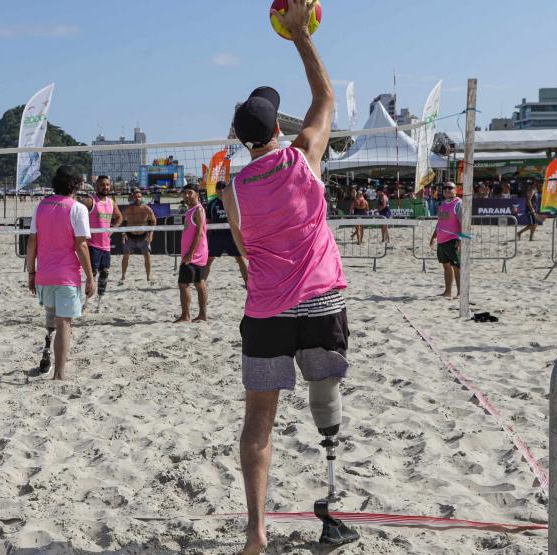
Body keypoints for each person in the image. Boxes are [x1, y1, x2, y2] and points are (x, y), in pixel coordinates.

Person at [222, 3, 355, 551]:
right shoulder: (304, 157)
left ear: (241, 138)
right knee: (326, 401)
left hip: (267, 309)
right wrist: (300, 36)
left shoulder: (232, 189)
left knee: (259, 422)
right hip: (320, 301)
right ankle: (329, 507)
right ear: (280, 127)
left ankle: (256, 533)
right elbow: (324, 98)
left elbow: (246, 254)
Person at [25, 165, 96, 380]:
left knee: (52, 319)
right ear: (76, 185)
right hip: (65, 275)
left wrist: (31, 272)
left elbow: (31, 242)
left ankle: (47, 350)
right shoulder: (77, 209)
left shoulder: (41, 206)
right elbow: (81, 246)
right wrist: (91, 277)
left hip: (44, 275)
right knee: (64, 322)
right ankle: (59, 373)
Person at [81, 175, 122, 301]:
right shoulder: (90, 200)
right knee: (92, 274)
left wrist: (112, 230)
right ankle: (87, 301)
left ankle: (99, 299)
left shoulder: (111, 202)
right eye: (102, 185)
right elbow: (76, 211)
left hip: (106, 245)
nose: (105, 187)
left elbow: (119, 217)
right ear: (96, 186)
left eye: (107, 185)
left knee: (105, 273)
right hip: (92, 244)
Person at [174, 183, 208, 323]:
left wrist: (190, 253)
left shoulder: (198, 210)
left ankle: (185, 316)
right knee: (199, 283)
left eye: (190, 192)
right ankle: (202, 315)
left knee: (183, 284)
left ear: (197, 194)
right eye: (185, 193)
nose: (187, 195)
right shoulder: (192, 210)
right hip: (197, 254)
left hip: (193, 256)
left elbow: (199, 233)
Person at [205, 180, 248, 284]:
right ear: (216, 191)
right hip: (216, 236)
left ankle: (248, 283)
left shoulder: (233, 201)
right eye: (218, 190)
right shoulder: (211, 204)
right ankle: (202, 282)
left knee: (240, 259)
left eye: (222, 189)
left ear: (226, 190)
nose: (220, 191)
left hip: (232, 235)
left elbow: (240, 218)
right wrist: (205, 238)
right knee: (208, 260)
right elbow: (208, 222)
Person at [429, 182, 463, 299]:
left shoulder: (458, 203)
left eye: (450, 188)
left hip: (453, 239)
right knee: (446, 266)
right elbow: (440, 222)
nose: (447, 190)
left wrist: (460, 239)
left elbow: (464, 223)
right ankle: (447, 292)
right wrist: (434, 236)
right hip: (442, 240)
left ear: (456, 190)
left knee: (456, 266)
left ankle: (460, 292)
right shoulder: (443, 204)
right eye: (445, 188)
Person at [119, 188, 157, 284]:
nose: (137, 198)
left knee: (147, 256)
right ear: (132, 197)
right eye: (136, 197)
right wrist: (123, 233)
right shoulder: (128, 209)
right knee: (125, 256)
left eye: (139, 197)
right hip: (130, 236)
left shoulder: (146, 208)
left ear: (142, 198)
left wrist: (151, 234)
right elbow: (120, 220)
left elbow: (153, 221)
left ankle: (148, 277)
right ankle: (123, 276)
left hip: (143, 236)